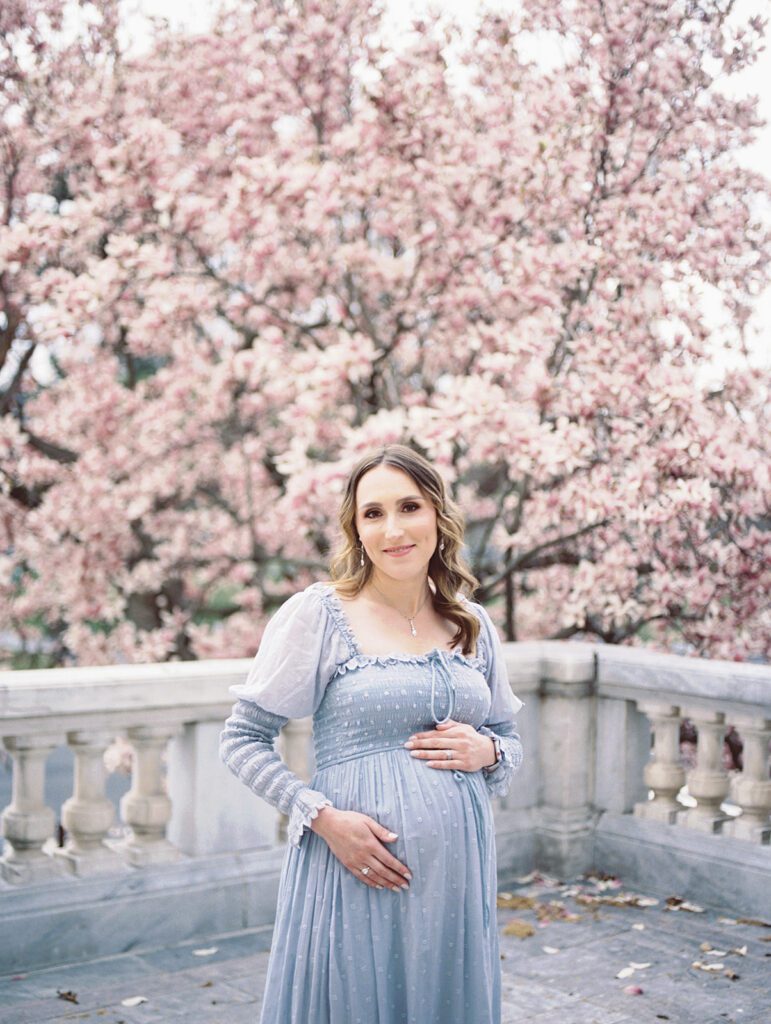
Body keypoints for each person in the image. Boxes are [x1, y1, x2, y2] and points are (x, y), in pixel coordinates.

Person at [219, 443, 524, 1024]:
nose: (393, 529)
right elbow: (241, 739)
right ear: (356, 530)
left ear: (437, 514)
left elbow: (507, 741)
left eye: (408, 507)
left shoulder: (473, 623)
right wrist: (323, 819)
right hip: (356, 867)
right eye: (373, 513)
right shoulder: (319, 615)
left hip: (458, 875)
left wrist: (488, 749)